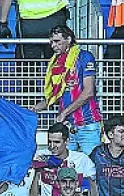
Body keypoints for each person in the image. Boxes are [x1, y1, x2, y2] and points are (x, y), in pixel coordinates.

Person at [33, 26, 103, 155]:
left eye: (58, 42)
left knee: (92, 167)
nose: (54, 46)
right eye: (52, 42)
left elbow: (88, 92)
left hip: (88, 125)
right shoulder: (55, 62)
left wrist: (64, 113)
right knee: (64, 168)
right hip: (67, 126)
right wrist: (33, 109)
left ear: (69, 39)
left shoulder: (84, 57)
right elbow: (55, 96)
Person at [0, 0, 80, 59]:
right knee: (56, 65)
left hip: (28, 24)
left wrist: (3, 24)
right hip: (56, 20)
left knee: (27, 68)